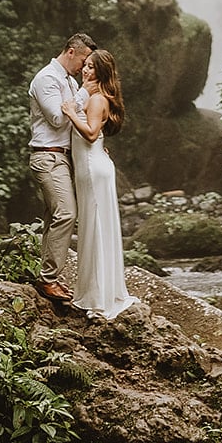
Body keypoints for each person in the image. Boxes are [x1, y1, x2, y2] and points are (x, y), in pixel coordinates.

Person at [62, 49, 136, 319]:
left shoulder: (95, 100)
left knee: (95, 229)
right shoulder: (96, 97)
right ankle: (99, 291)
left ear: (102, 72)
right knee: (96, 228)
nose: (86, 70)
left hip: (93, 170)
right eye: (86, 65)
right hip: (93, 167)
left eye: (92, 67)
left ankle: (98, 298)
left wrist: (70, 112)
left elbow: (92, 134)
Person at [28, 32, 93, 305]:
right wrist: (85, 91)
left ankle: (48, 276)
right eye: (83, 59)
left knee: (54, 216)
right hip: (48, 157)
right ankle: (48, 279)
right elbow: (57, 117)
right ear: (70, 52)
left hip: (61, 157)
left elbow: (73, 118)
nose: (85, 67)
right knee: (67, 213)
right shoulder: (47, 79)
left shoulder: (67, 80)